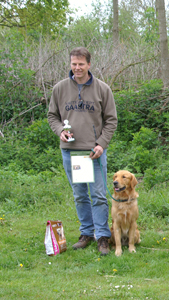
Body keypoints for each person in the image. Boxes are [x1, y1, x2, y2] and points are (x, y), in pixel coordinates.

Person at [48, 47, 118, 256]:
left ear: (89, 64)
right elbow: (53, 116)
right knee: (80, 195)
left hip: (93, 152)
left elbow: (111, 120)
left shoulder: (102, 89)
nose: (77, 68)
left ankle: (103, 236)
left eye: (81, 64)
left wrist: (101, 144)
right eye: (73, 64)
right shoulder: (59, 89)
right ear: (70, 65)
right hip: (71, 152)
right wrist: (60, 131)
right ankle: (86, 233)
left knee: (98, 194)